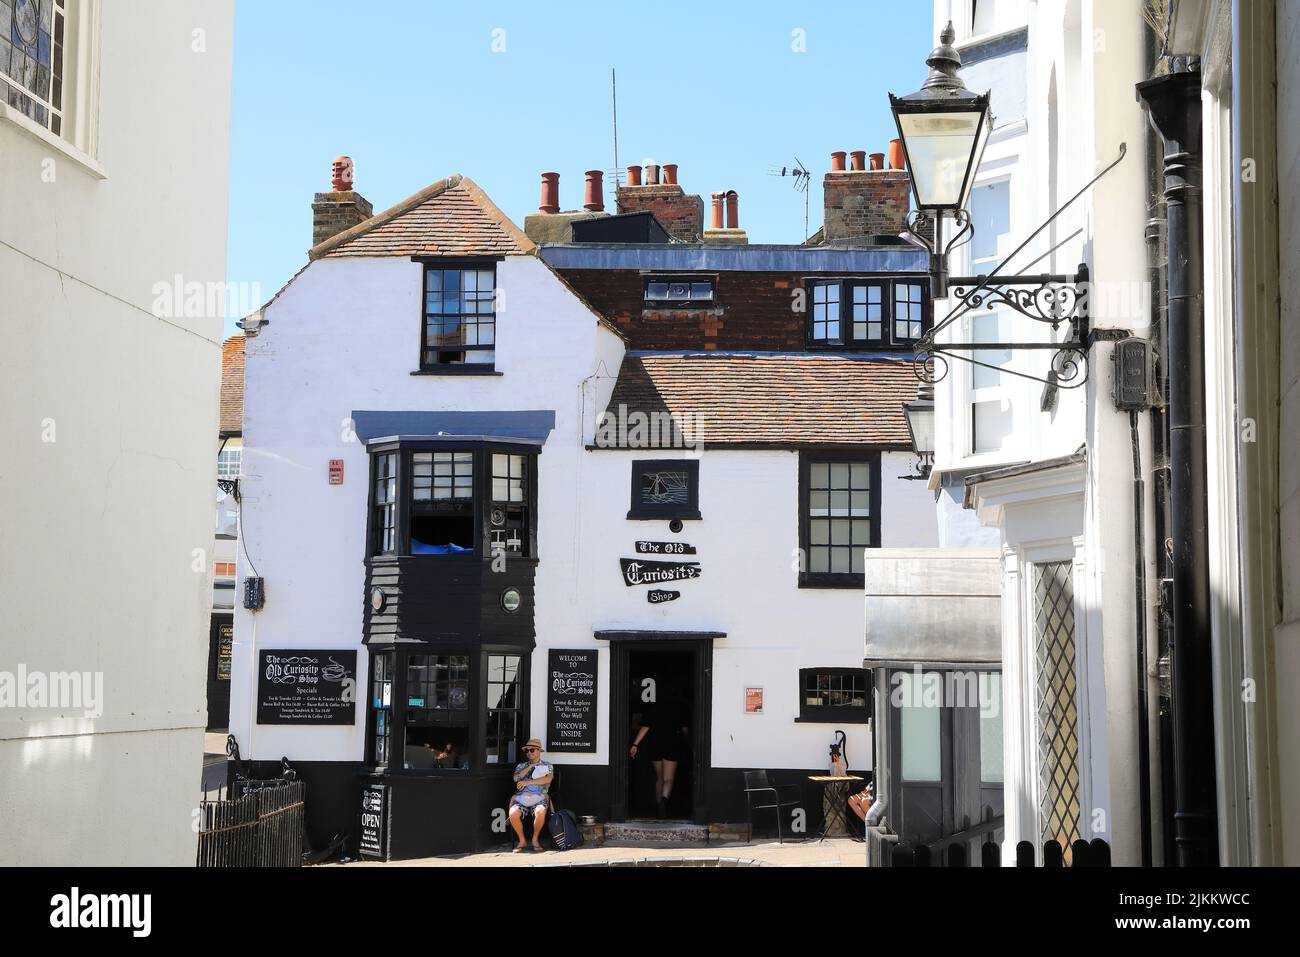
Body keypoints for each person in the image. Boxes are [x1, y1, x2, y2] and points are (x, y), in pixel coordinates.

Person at [630, 688, 689, 819]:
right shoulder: (679, 708)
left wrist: (635, 744)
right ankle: (664, 800)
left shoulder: (653, 708)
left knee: (660, 777)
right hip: (673, 745)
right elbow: (685, 730)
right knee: (668, 779)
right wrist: (687, 742)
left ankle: (658, 807)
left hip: (655, 745)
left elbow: (645, 727)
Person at [508, 739, 553, 853]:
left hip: (539, 797)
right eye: (527, 751)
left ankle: (535, 839)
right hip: (522, 798)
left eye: (532, 750)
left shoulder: (547, 765)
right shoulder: (521, 766)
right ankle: (522, 840)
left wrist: (527, 782)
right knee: (513, 813)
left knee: (540, 811)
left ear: (539, 751)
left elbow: (548, 779)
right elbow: (515, 779)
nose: (529, 753)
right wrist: (530, 767)